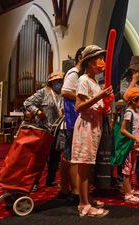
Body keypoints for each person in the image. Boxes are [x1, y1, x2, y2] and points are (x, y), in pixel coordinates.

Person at [71, 45, 112, 217]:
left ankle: (87, 198)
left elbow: (96, 105)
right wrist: (99, 97)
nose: (103, 63)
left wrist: (105, 106)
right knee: (84, 167)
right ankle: (83, 204)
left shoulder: (94, 82)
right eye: (99, 59)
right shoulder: (83, 80)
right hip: (86, 127)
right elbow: (79, 107)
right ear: (89, 62)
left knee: (89, 166)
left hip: (94, 126)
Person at [24, 71, 64, 189]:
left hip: (57, 130)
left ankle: (50, 180)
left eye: (61, 81)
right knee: (39, 158)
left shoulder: (62, 94)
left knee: (55, 157)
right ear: (51, 81)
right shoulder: (43, 92)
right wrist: (38, 112)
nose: (60, 83)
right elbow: (27, 103)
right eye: (57, 81)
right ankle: (34, 182)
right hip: (43, 129)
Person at [119, 56, 139, 191]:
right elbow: (125, 96)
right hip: (130, 121)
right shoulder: (125, 82)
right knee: (126, 153)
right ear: (134, 69)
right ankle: (122, 181)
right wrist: (134, 80)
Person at [59, 46, 85, 200]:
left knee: (68, 155)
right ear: (81, 57)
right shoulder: (74, 73)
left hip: (73, 120)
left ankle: (64, 188)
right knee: (72, 156)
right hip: (72, 120)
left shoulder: (77, 74)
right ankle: (75, 190)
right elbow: (65, 91)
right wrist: (83, 98)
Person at [120, 87, 139, 203]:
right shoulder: (129, 113)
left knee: (131, 169)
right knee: (127, 170)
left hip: (135, 146)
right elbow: (123, 130)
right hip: (129, 145)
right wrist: (134, 138)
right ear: (133, 100)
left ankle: (130, 189)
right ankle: (127, 194)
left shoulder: (135, 112)